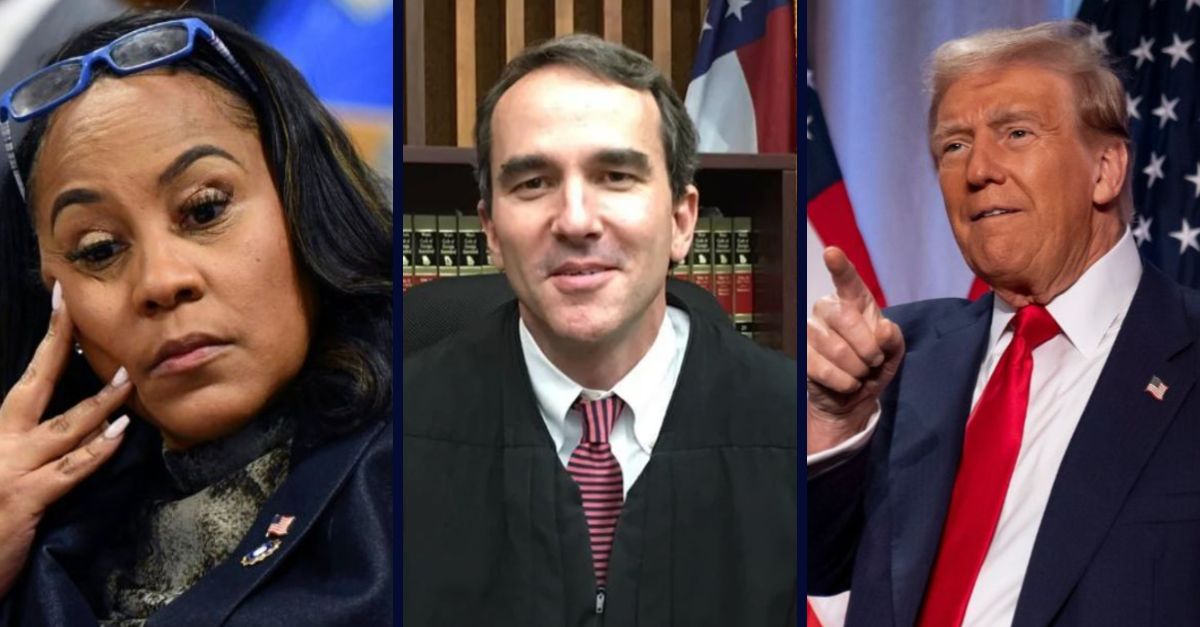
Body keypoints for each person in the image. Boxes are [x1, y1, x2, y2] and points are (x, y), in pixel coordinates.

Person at [0, 10, 392, 625]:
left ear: (304, 204)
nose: (161, 281)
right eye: (99, 249)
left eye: (205, 210)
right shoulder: (32, 543)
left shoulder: (452, 458)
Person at [807, 20, 1200, 626]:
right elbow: (817, 566)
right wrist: (837, 422)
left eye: (1016, 132)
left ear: (1105, 169)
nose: (978, 170)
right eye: (954, 145)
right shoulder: (898, 356)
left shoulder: (1186, 350)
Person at [403, 34, 797, 626]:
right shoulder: (392, 435)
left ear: (681, 220)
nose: (576, 221)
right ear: (489, 230)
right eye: (532, 182)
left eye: (615, 175)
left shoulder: (794, 426)